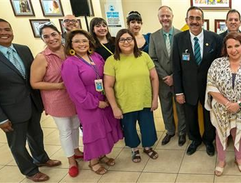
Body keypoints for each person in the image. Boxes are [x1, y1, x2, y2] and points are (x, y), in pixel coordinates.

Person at [0, 18, 60, 182]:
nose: (3, 33)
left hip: (32, 104)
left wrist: (41, 102)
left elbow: (31, 78)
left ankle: (41, 158)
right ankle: (30, 170)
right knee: (17, 144)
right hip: (9, 110)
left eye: (7, 29)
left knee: (36, 134)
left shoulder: (23, 49)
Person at [60, 29, 123, 175]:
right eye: (77, 41)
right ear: (70, 44)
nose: (81, 44)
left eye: (84, 40)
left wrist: (108, 97)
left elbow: (107, 76)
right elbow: (75, 91)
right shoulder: (70, 63)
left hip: (104, 100)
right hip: (88, 105)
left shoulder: (96, 56)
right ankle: (93, 162)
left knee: (105, 129)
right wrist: (96, 103)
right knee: (94, 133)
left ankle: (102, 155)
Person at [29, 23, 84, 177]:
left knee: (75, 126)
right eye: (46, 36)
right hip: (57, 100)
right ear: (42, 39)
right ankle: (71, 161)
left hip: (74, 97)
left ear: (60, 34)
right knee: (65, 130)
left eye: (53, 34)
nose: (51, 38)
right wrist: (59, 85)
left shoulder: (70, 51)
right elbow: (35, 83)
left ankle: (76, 151)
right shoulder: (42, 58)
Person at [205, 32, 241, 176]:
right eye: (229, 47)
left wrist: (238, 105)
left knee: (239, 133)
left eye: (237, 46)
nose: (233, 50)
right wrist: (227, 103)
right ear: (225, 48)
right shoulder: (217, 64)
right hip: (221, 107)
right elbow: (211, 86)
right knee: (220, 133)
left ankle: (239, 158)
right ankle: (221, 160)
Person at [172, 6, 223, 156]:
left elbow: (219, 66)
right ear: (186, 20)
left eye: (197, 18)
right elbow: (176, 67)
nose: (194, 21)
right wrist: (178, 91)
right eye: (191, 18)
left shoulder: (215, 38)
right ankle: (194, 140)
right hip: (188, 88)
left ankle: (208, 140)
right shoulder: (179, 39)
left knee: (209, 117)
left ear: (203, 21)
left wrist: (219, 90)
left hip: (210, 88)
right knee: (191, 117)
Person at [104, 29, 161, 163]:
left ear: (134, 41)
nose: (126, 42)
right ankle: (134, 149)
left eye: (129, 39)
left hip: (144, 100)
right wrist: (114, 107)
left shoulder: (144, 56)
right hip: (125, 103)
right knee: (129, 129)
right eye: (122, 39)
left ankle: (147, 147)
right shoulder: (112, 60)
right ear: (117, 43)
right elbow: (108, 86)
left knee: (147, 126)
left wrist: (155, 99)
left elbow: (154, 78)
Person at [149, 5, 186, 146]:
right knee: (166, 108)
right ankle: (170, 131)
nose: (165, 18)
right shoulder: (153, 37)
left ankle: (182, 132)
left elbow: (184, 58)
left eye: (167, 15)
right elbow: (153, 59)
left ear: (172, 17)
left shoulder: (181, 35)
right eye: (162, 16)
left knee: (180, 108)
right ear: (158, 18)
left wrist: (174, 76)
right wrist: (165, 76)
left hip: (178, 80)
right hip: (162, 81)